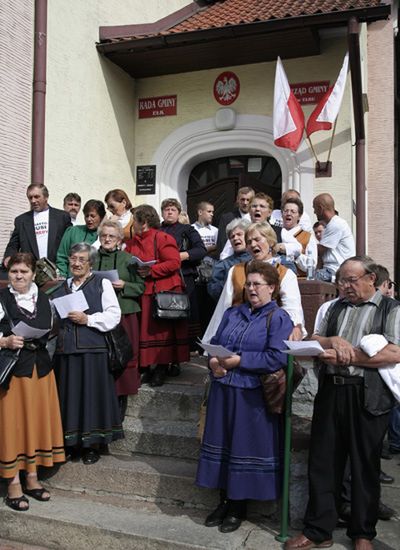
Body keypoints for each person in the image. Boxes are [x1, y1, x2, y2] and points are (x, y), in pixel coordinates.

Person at [285, 256, 400, 550]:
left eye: (350, 280)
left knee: (364, 465)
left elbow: (395, 353)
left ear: (371, 279)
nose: (344, 286)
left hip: (367, 394)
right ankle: (318, 529)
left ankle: (362, 533)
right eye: (341, 280)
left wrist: (351, 357)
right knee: (323, 461)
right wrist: (332, 341)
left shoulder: (391, 309)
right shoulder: (333, 307)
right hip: (331, 391)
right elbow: (316, 337)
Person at [196, 260, 293, 532]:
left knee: (243, 448)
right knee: (222, 444)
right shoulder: (233, 313)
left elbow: (276, 357)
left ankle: (238, 508)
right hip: (223, 389)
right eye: (248, 284)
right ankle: (223, 501)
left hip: (252, 397)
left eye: (257, 284)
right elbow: (215, 344)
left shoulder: (278, 318)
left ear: (271, 288)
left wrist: (240, 361)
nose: (251, 288)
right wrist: (213, 361)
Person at [0, 253, 65, 511]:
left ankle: (32, 477)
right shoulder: (3, 299)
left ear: (32, 274)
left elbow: (52, 329)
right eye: (14, 271)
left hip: (41, 370)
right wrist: (4, 341)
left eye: (23, 272)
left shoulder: (45, 299)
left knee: (35, 423)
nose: (18, 276)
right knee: (14, 425)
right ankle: (13, 483)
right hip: (13, 372)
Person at [52, 243, 124, 465]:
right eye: (73, 259)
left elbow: (114, 314)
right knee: (70, 397)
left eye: (82, 259)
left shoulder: (101, 283)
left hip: (94, 350)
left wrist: (89, 319)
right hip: (66, 351)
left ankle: (92, 445)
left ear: (91, 263)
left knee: (92, 398)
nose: (76, 263)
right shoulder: (62, 286)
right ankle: (71, 444)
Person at [203, 222, 306, 343]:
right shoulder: (235, 271)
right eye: (249, 242)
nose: (253, 245)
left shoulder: (285, 274)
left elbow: (292, 307)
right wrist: (214, 340)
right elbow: (224, 307)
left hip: (268, 332)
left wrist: (296, 327)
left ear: (271, 242)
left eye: (257, 239)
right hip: (237, 332)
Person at [125, 205, 190, 387]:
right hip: (144, 292)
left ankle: (161, 367)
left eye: (134, 221)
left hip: (163, 292)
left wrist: (151, 269)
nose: (132, 225)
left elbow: (174, 262)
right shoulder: (132, 242)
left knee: (161, 333)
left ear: (144, 223)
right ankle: (146, 367)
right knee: (146, 332)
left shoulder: (162, 238)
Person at [92, 220, 145, 420]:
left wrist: (124, 285)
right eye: (104, 235)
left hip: (125, 313)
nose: (107, 239)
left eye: (111, 236)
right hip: (98, 313)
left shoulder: (129, 259)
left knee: (122, 355)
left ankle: (120, 400)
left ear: (119, 240)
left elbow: (140, 287)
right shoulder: (91, 258)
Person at [160, 198, 207, 356]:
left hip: (183, 276)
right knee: (163, 313)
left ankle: (188, 348)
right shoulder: (157, 229)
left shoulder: (187, 229)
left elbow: (201, 250)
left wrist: (181, 256)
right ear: (162, 212)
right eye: (167, 209)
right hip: (161, 277)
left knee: (184, 313)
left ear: (178, 212)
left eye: (173, 209)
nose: (170, 212)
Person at [3, 183, 71, 267]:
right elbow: (13, 244)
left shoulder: (62, 217)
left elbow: (70, 243)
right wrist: (8, 256)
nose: (33, 201)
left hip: (57, 270)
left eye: (36, 197)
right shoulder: (21, 220)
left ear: (46, 197)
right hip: (31, 269)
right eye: (30, 197)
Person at [56, 200, 106, 277]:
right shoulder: (73, 231)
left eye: (92, 216)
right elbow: (62, 257)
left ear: (101, 217)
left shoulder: (105, 235)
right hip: (72, 280)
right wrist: (62, 276)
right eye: (86, 216)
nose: (89, 219)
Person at [220, 192, 277, 260]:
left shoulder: (279, 231)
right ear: (249, 211)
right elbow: (225, 255)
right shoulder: (240, 231)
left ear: (270, 212)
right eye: (254, 206)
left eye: (262, 206)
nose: (257, 209)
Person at [313, 193, 355, 281]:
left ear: (320, 208)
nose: (314, 212)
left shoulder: (336, 224)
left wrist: (297, 248)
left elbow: (319, 250)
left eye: (315, 208)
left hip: (335, 271)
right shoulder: (332, 224)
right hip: (331, 270)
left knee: (304, 280)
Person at [207, 218, 251, 302]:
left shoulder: (259, 259)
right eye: (232, 236)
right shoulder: (223, 265)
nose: (235, 238)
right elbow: (213, 289)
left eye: (239, 234)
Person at [273, 197, 317, 276]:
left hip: (299, 281)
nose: (288, 213)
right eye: (286, 211)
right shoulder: (273, 233)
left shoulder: (307, 237)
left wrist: (291, 252)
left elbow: (312, 266)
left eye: (293, 211)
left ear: (299, 216)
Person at [216, 186, 254, 256]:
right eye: (242, 199)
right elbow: (221, 242)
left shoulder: (256, 218)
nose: (245, 203)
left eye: (248, 200)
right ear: (237, 200)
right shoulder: (227, 218)